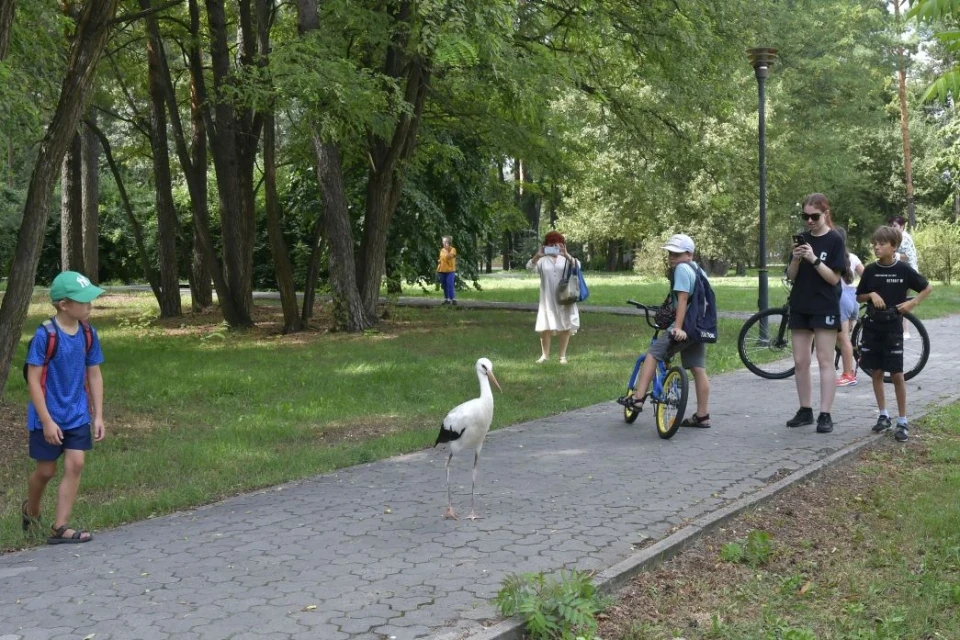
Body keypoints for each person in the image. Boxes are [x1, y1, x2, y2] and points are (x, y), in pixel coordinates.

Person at [21, 271, 106, 544]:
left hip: (77, 413)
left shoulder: (88, 333)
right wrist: (46, 420)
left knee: (76, 463)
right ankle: (30, 510)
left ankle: (60, 526)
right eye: (84, 301)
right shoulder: (45, 335)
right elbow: (33, 380)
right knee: (46, 471)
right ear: (63, 305)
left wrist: (98, 415)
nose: (89, 306)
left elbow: (94, 374)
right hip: (48, 415)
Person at [621, 234, 712, 427]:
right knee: (698, 369)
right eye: (670, 253)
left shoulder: (681, 269)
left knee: (653, 355)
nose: (672, 257)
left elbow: (683, 299)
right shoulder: (699, 270)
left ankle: (637, 399)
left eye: (677, 253)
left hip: (684, 328)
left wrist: (677, 328)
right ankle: (702, 416)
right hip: (698, 328)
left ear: (689, 254)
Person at [856, 225, 932, 442]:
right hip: (872, 327)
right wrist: (871, 294)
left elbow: (927, 288)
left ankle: (902, 420)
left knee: (897, 374)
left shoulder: (904, 270)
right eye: (875, 244)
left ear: (894, 246)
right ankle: (883, 415)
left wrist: (912, 303)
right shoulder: (870, 270)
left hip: (893, 328)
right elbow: (859, 296)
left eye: (881, 244)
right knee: (877, 372)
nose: (876, 247)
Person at [785, 194, 846, 434]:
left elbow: (834, 278)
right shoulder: (803, 240)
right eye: (805, 216)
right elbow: (790, 276)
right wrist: (798, 260)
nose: (809, 221)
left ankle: (825, 413)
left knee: (824, 360)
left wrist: (813, 259)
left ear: (825, 213)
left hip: (824, 306)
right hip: (801, 304)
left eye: (814, 216)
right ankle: (805, 410)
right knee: (800, 361)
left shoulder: (834, 240)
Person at [527, 230, 579, 364]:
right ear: (546, 245)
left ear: (562, 244)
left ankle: (562, 356)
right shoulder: (542, 260)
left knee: (566, 325)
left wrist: (566, 254)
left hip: (565, 295)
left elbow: (577, 266)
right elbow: (529, 267)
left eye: (557, 244)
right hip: (547, 297)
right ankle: (545, 355)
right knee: (545, 326)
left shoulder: (565, 259)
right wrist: (537, 256)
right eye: (551, 244)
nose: (554, 246)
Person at [834, 226, 865, 387]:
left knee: (843, 338)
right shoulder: (852, 257)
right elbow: (865, 275)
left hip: (840, 298)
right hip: (853, 297)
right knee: (846, 339)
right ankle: (856, 359)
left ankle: (848, 374)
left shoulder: (834, 257)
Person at [888, 216, 918, 339]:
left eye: (895, 226)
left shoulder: (904, 238)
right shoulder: (898, 237)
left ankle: (904, 331)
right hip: (901, 273)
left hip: (908, 274)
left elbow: (907, 256)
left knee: (901, 301)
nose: (892, 228)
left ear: (902, 227)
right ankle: (900, 329)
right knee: (900, 300)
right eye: (891, 225)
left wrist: (893, 254)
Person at [437, 236, 457, 305]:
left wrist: (447, 251)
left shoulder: (453, 249)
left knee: (450, 284)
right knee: (444, 285)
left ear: (449, 242)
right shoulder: (442, 250)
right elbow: (442, 258)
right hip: (441, 270)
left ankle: (453, 299)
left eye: (445, 241)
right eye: (443, 241)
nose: (444, 243)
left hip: (450, 271)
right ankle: (447, 299)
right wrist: (439, 260)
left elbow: (449, 256)